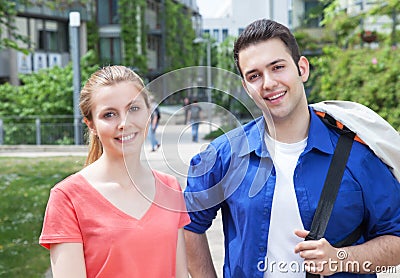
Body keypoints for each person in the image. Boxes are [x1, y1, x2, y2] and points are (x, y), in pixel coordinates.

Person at [183, 19, 400, 278]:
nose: (268, 83)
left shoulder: (359, 153)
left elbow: (396, 238)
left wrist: (341, 258)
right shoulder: (222, 156)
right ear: (245, 87)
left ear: (302, 68)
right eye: (254, 76)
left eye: (278, 67)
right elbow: (188, 226)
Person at [39, 66, 190, 278]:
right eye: (109, 114)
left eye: (134, 109)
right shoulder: (67, 198)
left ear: (149, 112)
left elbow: (180, 274)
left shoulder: (170, 188)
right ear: (91, 124)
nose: (124, 123)